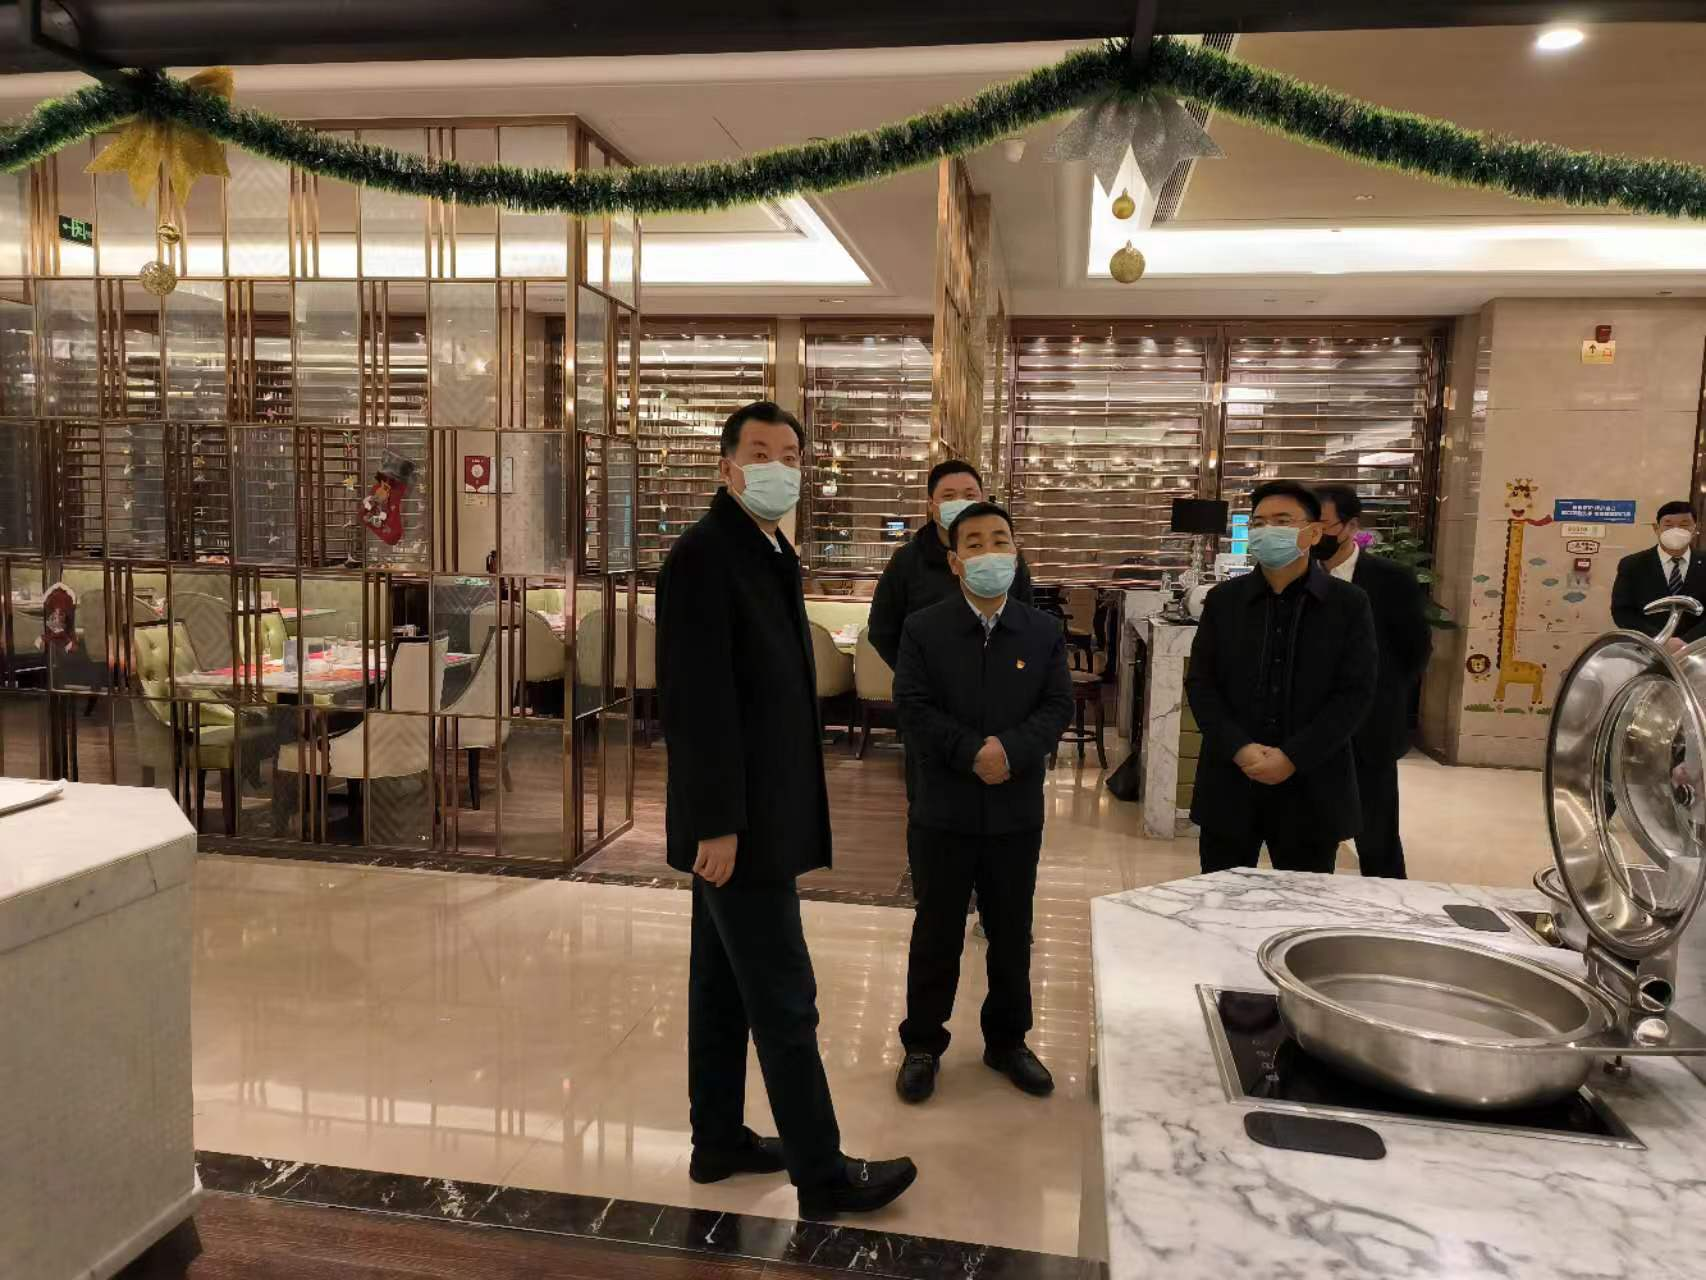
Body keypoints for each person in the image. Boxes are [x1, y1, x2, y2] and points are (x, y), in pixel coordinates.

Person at [656, 400, 917, 1220]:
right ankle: (823, 1175)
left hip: (761, 809)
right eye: (761, 452)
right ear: (727, 466)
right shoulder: (704, 556)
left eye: (792, 455)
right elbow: (695, 701)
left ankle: (717, 1141)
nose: (779, 467)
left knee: (721, 986)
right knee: (783, 993)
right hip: (739, 825)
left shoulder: (767, 550)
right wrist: (716, 823)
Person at [891, 502, 1073, 1104]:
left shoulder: (1041, 630)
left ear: (1015, 553)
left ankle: (1008, 1041)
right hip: (943, 807)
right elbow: (912, 707)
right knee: (936, 930)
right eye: (974, 543)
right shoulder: (924, 629)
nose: (989, 552)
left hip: (1015, 811)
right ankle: (923, 1043)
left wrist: (1010, 751)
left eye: (1000, 540)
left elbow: (1057, 707)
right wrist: (971, 752)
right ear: (955, 560)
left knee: (1012, 930)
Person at [1184, 480, 1377, 875]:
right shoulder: (1224, 601)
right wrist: (1240, 748)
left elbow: (1354, 693)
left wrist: (1292, 757)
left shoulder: (1348, 604)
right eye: (1258, 523)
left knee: (1303, 900)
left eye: (1282, 521)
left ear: (1313, 532)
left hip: (1313, 784)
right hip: (1232, 780)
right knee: (1220, 898)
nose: (1267, 530)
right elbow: (1202, 685)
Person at [1314, 486, 1433, 880]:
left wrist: (1379, 698)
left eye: (1323, 524)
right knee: (1312, 836)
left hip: (1370, 728)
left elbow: (1414, 651)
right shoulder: (1299, 576)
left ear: (1350, 527)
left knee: (1377, 835)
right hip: (1311, 729)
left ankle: (1387, 906)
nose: (1314, 534)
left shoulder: (1391, 580)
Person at [1611, 500, 1706, 650]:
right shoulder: (1632, 564)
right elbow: (1622, 612)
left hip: (1698, 650)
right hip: (1646, 648)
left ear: (1695, 528)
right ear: (1656, 528)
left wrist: (1686, 642)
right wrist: (1661, 639)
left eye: (1684, 524)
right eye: (1668, 525)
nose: (1676, 530)